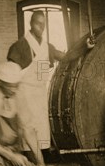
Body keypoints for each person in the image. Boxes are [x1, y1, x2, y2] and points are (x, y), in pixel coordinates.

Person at [6, 10, 66, 152]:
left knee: (42, 142)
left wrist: (84, 47)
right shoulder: (19, 46)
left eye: (44, 24)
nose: (42, 27)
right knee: (28, 143)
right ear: (31, 24)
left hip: (39, 99)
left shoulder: (47, 48)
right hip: (24, 98)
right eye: (38, 23)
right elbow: (9, 75)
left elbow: (65, 57)